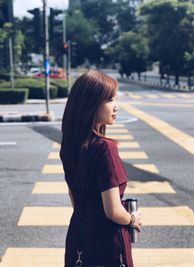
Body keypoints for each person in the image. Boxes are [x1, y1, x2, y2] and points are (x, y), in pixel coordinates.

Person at [60, 70, 142, 267]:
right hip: (107, 244)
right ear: (91, 104)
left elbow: (74, 196)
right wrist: (132, 219)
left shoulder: (70, 145)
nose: (116, 106)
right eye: (110, 100)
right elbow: (113, 210)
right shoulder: (105, 148)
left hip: (79, 238)